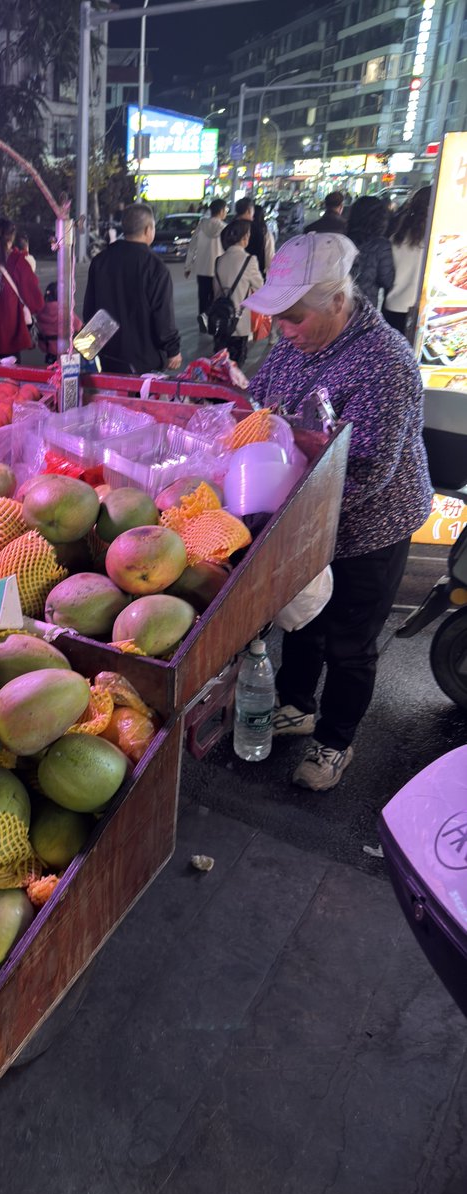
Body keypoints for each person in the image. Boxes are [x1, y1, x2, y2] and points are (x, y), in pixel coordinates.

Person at [242, 232, 433, 791]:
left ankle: (335, 742)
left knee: (351, 638)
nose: (284, 329)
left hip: (370, 524)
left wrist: (287, 508)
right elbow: (262, 403)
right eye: (279, 319)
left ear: (336, 302)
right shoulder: (293, 345)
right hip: (304, 515)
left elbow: (370, 470)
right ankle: (297, 704)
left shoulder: (384, 362)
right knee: (305, 619)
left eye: (294, 316)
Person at [82, 201, 182, 375]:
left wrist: (90, 349)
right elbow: (163, 316)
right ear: (147, 230)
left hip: (106, 358)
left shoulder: (100, 261)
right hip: (143, 361)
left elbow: (90, 310)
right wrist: (173, 350)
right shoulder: (155, 267)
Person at [0, 217, 43, 362]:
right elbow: (35, 300)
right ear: (13, 236)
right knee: (10, 377)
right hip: (11, 333)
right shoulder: (18, 261)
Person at [211, 218, 264, 366]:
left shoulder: (219, 260)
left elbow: (216, 293)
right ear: (243, 238)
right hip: (239, 324)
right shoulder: (249, 260)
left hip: (220, 321)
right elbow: (260, 287)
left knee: (221, 365)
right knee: (236, 367)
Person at [383, 186, 431, 335]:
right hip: (425, 311)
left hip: (394, 306)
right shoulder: (436, 243)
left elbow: (387, 277)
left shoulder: (395, 239)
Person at [184, 197, 227, 333]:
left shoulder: (201, 226)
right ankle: (213, 323)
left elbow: (192, 247)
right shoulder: (225, 228)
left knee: (203, 297)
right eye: (225, 209)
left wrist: (188, 266)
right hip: (218, 271)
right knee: (216, 298)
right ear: (221, 211)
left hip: (202, 269)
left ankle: (203, 319)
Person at [346, 195, 394, 310]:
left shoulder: (343, 239)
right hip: (365, 307)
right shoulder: (382, 245)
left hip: (341, 304)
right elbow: (386, 281)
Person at [36, 281, 82, 365]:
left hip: (50, 354)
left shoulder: (40, 312)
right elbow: (79, 326)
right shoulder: (65, 311)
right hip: (66, 354)